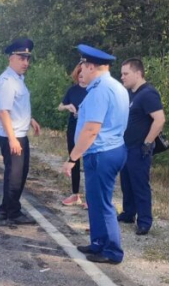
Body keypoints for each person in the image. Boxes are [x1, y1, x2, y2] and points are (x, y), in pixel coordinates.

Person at [62, 44, 129, 265]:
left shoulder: (100, 90)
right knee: (95, 199)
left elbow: (91, 129)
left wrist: (72, 158)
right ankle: (98, 243)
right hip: (112, 149)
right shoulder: (116, 86)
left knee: (102, 202)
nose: (80, 72)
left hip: (101, 152)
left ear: (91, 67)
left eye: (82, 67)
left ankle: (112, 251)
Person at [0, 38, 41, 225]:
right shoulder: (7, 81)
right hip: (12, 136)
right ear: (11, 58)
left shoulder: (18, 79)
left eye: (27, 59)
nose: (25, 63)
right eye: (21, 58)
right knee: (15, 176)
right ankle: (13, 213)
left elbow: (16, 106)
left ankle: (5, 210)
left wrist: (30, 119)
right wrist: (13, 139)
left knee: (17, 174)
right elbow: (3, 111)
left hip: (18, 134)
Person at [119, 58, 165, 235]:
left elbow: (159, 119)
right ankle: (129, 213)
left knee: (140, 184)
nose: (122, 77)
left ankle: (144, 221)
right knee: (126, 182)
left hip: (140, 148)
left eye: (125, 73)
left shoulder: (148, 93)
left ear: (138, 73)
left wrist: (147, 142)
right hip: (126, 146)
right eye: (122, 73)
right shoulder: (131, 93)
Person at [58, 65, 88, 207]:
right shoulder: (72, 90)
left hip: (87, 130)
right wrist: (67, 106)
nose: (81, 76)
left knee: (89, 161)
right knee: (73, 159)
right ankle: (75, 194)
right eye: (79, 74)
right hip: (72, 128)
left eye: (83, 73)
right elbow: (60, 106)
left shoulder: (94, 90)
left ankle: (90, 197)